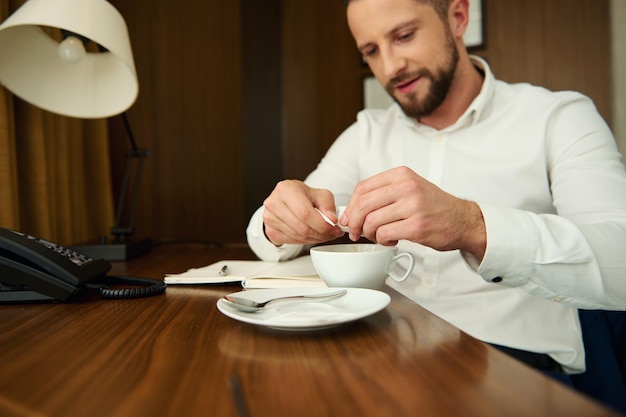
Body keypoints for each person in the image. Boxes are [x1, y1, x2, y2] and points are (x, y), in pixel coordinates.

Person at [246, 0, 626, 410]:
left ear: (457, 18)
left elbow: (619, 259)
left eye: (404, 36)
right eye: (371, 51)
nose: (390, 67)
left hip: (515, 368)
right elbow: (264, 233)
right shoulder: (366, 133)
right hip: (378, 359)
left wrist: (472, 225)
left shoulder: (558, 117)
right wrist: (279, 220)